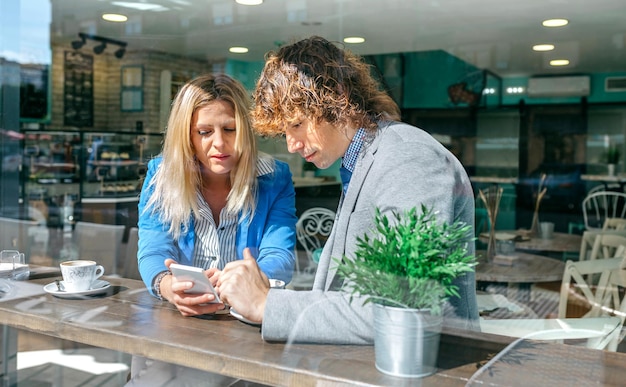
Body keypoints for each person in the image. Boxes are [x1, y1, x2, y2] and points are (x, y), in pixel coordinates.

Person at [216, 36, 479, 344]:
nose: (292, 144)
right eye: (285, 132)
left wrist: (267, 304)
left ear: (336, 97)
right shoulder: (363, 162)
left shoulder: (410, 158)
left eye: (297, 124)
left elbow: (404, 305)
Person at [128, 73, 297, 385]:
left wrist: (245, 281)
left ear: (245, 130)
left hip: (247, 334)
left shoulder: (275, 178)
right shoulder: (160, 176)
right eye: (204, 132)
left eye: (230, 129)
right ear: (187, 135)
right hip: (175, 331)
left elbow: (280, 256)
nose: (219, 143)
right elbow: (153, 251)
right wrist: (168, 286)